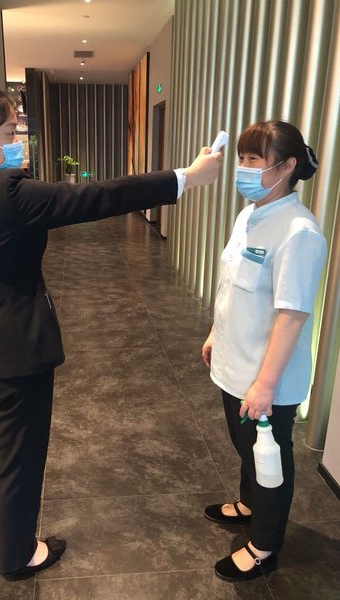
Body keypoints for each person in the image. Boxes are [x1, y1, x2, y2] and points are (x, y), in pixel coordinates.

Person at [0, 81, 221, 581]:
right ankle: (18, 554)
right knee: (19, 453)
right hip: (20, 350)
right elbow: (98, 196)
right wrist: (185, 178)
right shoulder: (8, 192)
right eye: (8, 133)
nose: (17, 143)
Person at [202, 120, 327, 582]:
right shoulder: (250, 215)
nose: (244, 167)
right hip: (235, 363)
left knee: (269, 458)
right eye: (242, 158)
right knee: (245, 447)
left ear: (287, 166)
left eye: (254, 159)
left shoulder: (299, 232)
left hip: (265, 377)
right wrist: (215, 333)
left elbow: (292, 315)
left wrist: (265, 385)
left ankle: (264, 544)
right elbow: (232, 286)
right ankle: (248, 504)